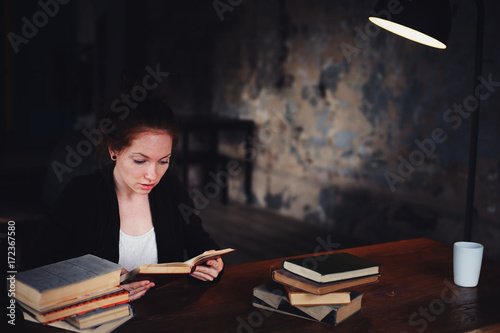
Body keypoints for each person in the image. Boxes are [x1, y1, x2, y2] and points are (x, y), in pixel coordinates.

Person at [40, 95, 223, 301]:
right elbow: (44, 262)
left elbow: (200, 242)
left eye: (163, 161)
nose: (152, 175)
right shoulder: (81, 194)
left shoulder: (171, 188)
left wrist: (211, 261)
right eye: (139, 161)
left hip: (164, 315)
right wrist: (103, 281)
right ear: (113, 149)